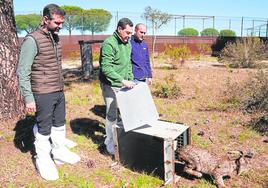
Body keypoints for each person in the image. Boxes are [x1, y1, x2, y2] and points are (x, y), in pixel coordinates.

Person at [17, 4, 80, 181]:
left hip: (58, 90)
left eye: (62, 22)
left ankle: (59, 152)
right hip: (42, 92)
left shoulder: (55, 38)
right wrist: (29, 98)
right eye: (57, 22)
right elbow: (23, 71)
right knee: (44, 128)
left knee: (59, 123)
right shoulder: (32, 40)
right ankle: (43, 158)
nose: (60, 25)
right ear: (45, 19)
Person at [99, 18, 135, 155]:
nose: (130, 35)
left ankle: (121, 138)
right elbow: (106, 68)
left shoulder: (128, 43)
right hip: (110, 84)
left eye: (131, 32)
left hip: (124, 82)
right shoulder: (109, 44)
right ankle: (109, 142)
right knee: (111, 113)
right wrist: (122, 80)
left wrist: (130, 78)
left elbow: (128, 64)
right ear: (119, 29)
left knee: (125, 112)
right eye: (127, 32)